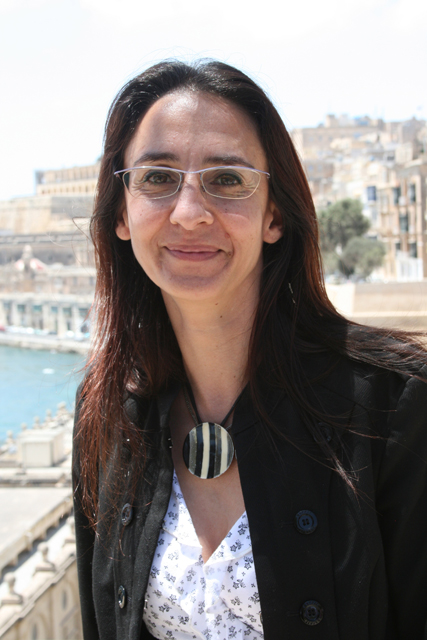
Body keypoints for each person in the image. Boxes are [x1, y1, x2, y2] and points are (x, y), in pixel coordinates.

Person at [72, 60, 427, 640]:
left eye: (227, 180)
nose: (190, 213)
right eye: (157, 178)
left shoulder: (396, 407)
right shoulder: (107, 409)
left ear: (275, 215)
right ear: (120, 213)